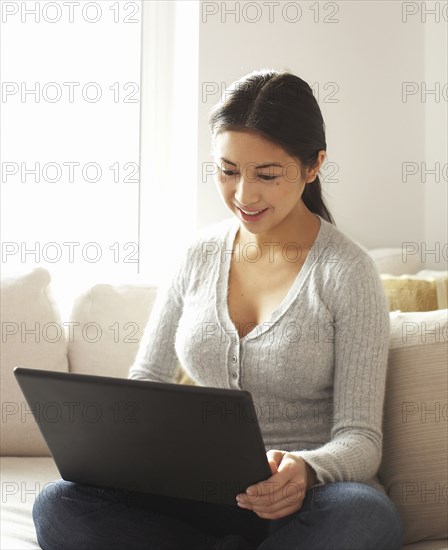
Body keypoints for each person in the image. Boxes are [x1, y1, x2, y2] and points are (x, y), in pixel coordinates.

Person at [32, 69, 404, 550]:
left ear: (313, 166)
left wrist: (307, 470)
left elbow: (361, 440)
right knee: (59, 504)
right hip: (197, 498)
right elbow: (147, 380)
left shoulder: (346, 273)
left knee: (367, 516)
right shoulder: (198, 254)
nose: (244, 195)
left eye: (267, 175)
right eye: (228, 171)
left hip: (304, 506)